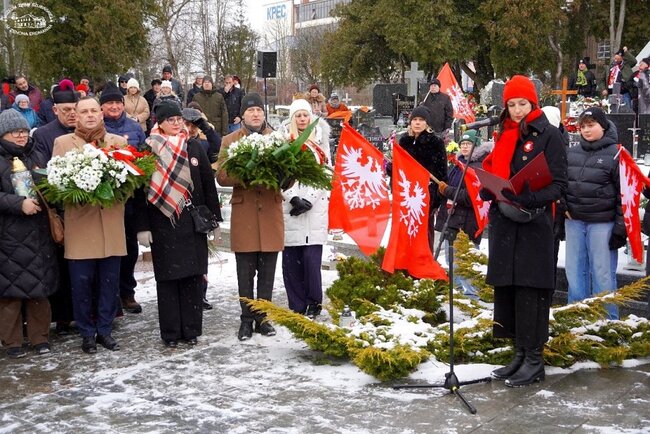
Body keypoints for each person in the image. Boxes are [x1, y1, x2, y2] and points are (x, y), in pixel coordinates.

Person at [481, 75, 567, 387]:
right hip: (506, 225)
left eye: (523, 104)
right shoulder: (505, 135)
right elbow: (496, 171)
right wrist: (489, 189)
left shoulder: (549, 135)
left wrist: (529, 198)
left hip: (534, 226)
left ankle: (534, 360)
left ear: (533, 103)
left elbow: (560, 185)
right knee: (510, 291)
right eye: (512, 104)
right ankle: (518, 354)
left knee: (531, 293)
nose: (517, 110)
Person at [135, 100, 221, 347]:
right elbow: (140, 191)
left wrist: (214, 219)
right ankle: (171, 332)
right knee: (168, 280)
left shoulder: (193, 146)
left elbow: (208, 184)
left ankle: (191, 329)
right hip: (162, 222)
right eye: (170, 120)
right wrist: (142, 226)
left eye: (178, 119)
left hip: (191, 222)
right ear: (160, 123)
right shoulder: (148, 148)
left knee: (193, 277)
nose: (175, 124)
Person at [52, 97, 128, 354]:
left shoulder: (118, 143)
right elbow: (56, 186)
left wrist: (112, 189)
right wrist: (83, 189)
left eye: (94, 110)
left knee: (109, 283)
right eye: (84, 111)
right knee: (81, 285)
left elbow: (131, 184)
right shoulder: (63, 143)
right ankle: (86, 333)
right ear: (76, 115)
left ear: (102, 113)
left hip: (110, 224)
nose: (90, 115)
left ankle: (105, 330)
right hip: (81, 226)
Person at [215, 93, 283, 341]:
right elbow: (221, 175)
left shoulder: (277, 139)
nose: (256, 114)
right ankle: (246, 319)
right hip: (245, 213)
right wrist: (249, 173)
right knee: (245, 272)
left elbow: (288, 177)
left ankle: (263, 318)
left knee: (267, 271)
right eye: (251, 110)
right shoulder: (230, 140)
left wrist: (283, 174)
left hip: (270, 211)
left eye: (259, 110)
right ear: (242, 115)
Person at [0, 109, 59, 358]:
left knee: (38, 287)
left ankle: (40, 337)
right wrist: (18, 204)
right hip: (9, 234)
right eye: (15, 132)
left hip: (38, 231)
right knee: (10, 291)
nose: (21, 135)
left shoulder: (35, 153)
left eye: (23, 130)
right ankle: (12, 341)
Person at [564, 107, 623, 320]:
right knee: (574, 271)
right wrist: (563, 206)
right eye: (583, 126)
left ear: (603, 126)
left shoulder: (616, 154)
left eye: (591, 125)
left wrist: (620, 227)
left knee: (602, 273)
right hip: (574, 221)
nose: (586, 130)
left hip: (602, 222)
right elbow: (562, 183)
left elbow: (624, 194)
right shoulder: (572, 153)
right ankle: (575, 317)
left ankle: (607, 321)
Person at [31, 83, 79, 335]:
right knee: (62, 266)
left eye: (74, 109)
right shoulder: (44, 135)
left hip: (86, 209)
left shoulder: (85, 130)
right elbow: (40, 171)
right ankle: (63, 316)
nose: (72, 114)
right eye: (66, 109)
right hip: (59, 208)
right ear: (55, 110)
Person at [279, 99, 331, 318]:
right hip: (290, 207)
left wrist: (308, 199)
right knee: (291, 262)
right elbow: (279, 174)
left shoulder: (320, 141)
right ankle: (296, 304)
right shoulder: (283, 140)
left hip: (314, 209)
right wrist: (292, 197)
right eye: (298, 116)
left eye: (305, 115)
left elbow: (326, 173)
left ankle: (314, 302)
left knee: (311, 261)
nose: (302, 119)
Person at [100, 82, 146, 315]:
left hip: (130, 197)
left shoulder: (134, 127)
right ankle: (111, 295)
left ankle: (128, 292)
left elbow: (145, 156)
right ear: (102, 107)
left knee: (129, 247)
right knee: (109, 249)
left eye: (118, 103)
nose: (114, 106)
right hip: (105, 199)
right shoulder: (97, 128)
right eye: (109, 103)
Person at [390, 106, 447, 252]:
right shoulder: (405, 141)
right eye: (414, 119)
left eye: (421, 120)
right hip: (406, 196)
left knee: (424, 237)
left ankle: (424, 263)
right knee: (406, 236)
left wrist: (435, 199)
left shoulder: (435, 143)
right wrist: (391, 168)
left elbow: (441, 173)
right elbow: (400, 169)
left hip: (425, 196)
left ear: (427, 123)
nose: (417, 123)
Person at [436, 129, 491, 246]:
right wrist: (440, 189)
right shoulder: (457, 164)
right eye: (462, 143)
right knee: (450, 255)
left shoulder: (479, 167)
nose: (465, 146)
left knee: (464, 256)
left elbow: (471, 197)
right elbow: (447, 185)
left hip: (467, 223)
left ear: (476, 146)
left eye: (469, 143)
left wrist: (446, 190)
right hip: (451, 220)